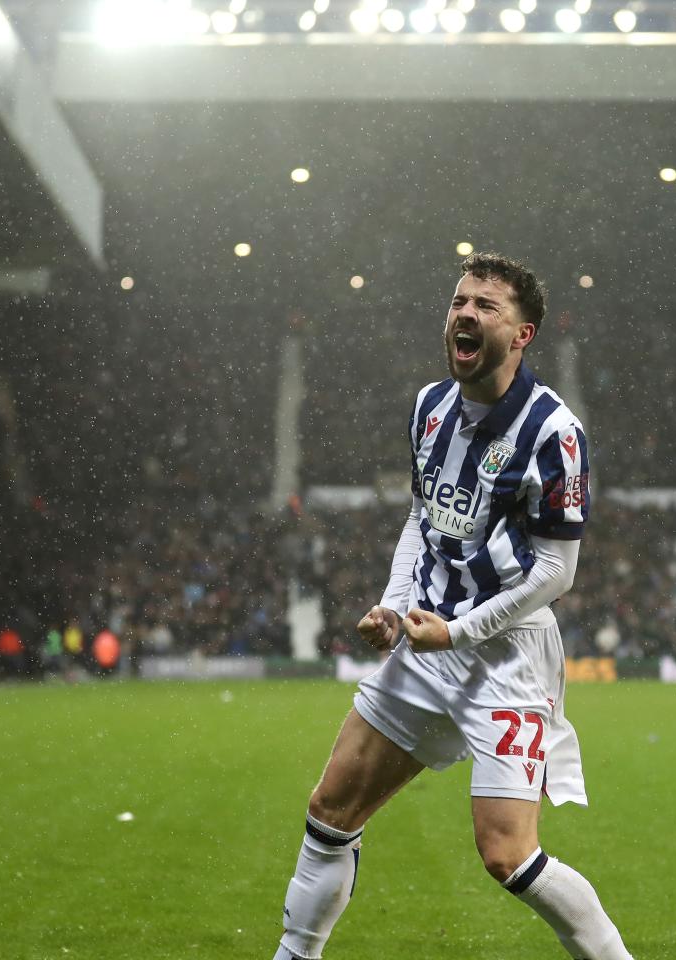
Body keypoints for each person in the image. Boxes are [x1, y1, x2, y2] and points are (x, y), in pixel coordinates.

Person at [271, 253, 633, 960]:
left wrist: (459, 631)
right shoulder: (430, 406)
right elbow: (422, 517)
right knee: (330, 813)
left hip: (506, 657)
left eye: (486, 306)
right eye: (459, 302)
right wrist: (394, 606)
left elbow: (557, 571)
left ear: (523, 334)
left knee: (508, 857)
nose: (464, 314)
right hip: (429, 639)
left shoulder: (553, 432)